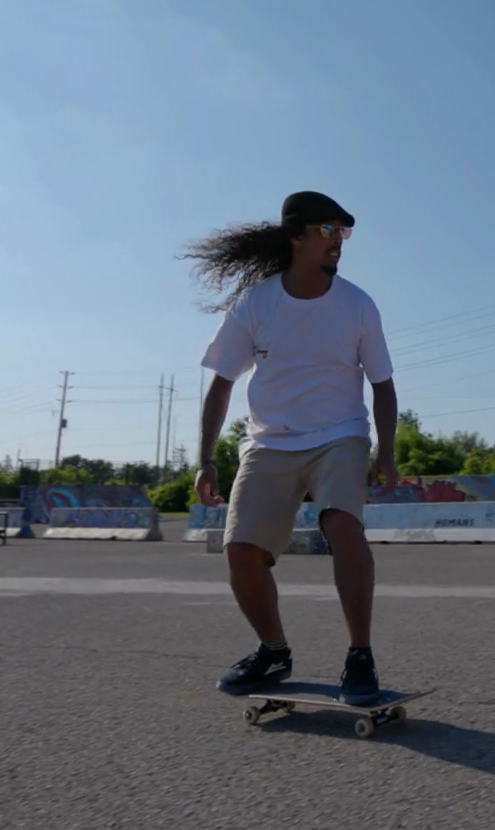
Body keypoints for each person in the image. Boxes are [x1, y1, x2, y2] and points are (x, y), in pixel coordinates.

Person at [182, 190, 399, 706]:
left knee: (342, 524)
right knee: (240, 550)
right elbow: (222, 384)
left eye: (343, 233)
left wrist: (385, 450)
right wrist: (207, 459)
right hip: (269, 442)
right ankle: (273, 651)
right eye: (327, 231)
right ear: (296, 236)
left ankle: (360, 656)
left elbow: (383, 386)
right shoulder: (256, 303)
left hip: (340, 435)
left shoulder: (357, 305)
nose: (337, 242)